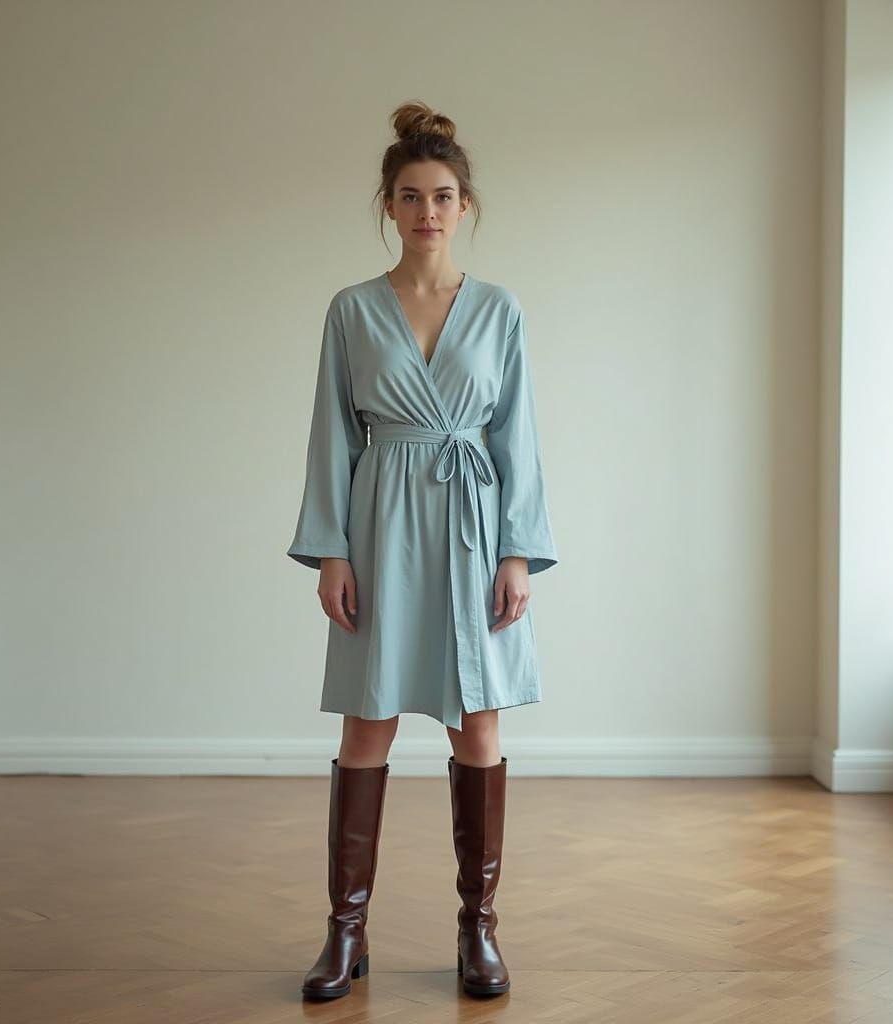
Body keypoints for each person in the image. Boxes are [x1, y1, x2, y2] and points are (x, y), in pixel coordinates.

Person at [286, 100, 558, 1000]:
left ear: (464, 204)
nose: (427, 211)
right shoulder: (352, 311)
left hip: (476, 531)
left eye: (443, 195)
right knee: (369, 720)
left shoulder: (501, 311)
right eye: (410, 196)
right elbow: (333, 436)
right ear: (389, 207)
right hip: (380, 526)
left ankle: (478, 930)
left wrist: (518, 550)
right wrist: (332, 551)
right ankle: (344, 932)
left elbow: (518, 436)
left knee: (476, 719)